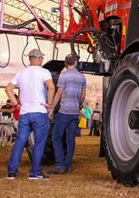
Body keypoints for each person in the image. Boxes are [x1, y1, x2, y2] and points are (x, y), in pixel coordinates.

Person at [5, 49, 54, 180]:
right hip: (39, 111)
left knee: (20, 141)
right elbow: (51, 87)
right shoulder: (44, 72)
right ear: (39, 59)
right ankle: (35, 172)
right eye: (42, 58)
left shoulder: (21, 73)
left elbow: (8, 89)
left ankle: (12, 172)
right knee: (39, 143)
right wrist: (49, 104)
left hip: (24, 113)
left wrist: (16, 104)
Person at [48, 54, 86, 175]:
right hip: (74, 112)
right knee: (71, 139)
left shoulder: (63, 76)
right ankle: (68, 165)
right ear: (76, 63)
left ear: (66, 63)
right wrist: (78, 105)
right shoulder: (82, 77)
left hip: (64, 111)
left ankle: (60, 165)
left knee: (56, 137)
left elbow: (59, 93)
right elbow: (83, 96)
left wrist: (52, 108)